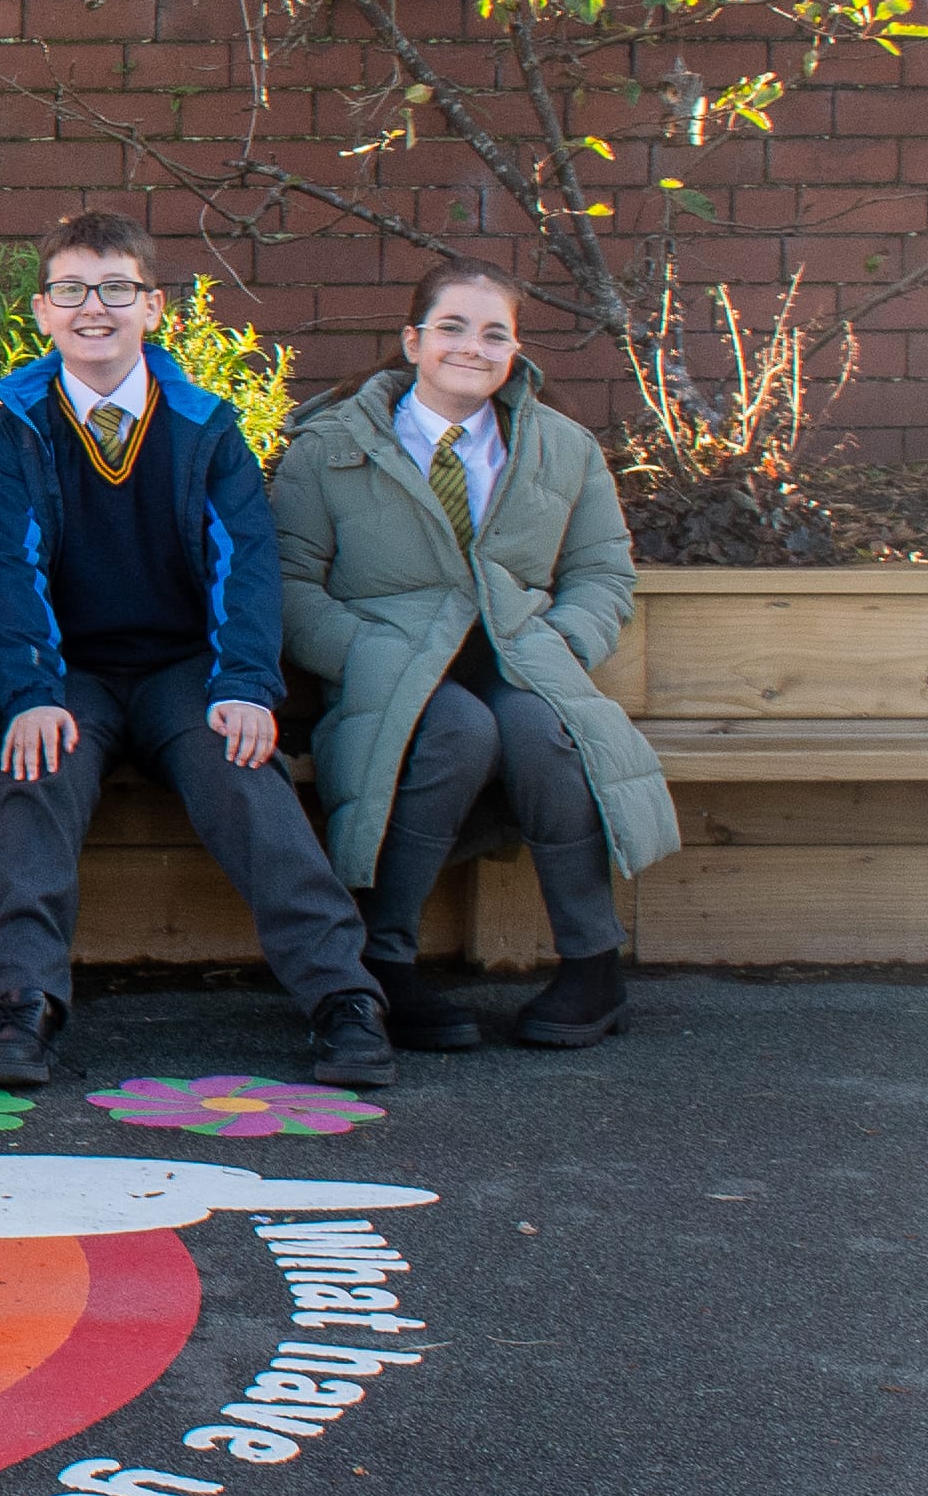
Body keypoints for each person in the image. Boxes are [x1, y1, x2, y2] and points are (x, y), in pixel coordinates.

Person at [0, 211, 391, 1089]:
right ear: (42, 311)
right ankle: (21, 1004)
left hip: (182, 674)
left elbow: (247, 568)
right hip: (70, 674)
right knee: (35, 771)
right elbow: (11, 566)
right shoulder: (16, 422)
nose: (95, 308)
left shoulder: (204, 426)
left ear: (153, 307)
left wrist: (243, 683)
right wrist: (32, 692)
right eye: (72, 290)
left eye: (116, 289)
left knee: (244, 772)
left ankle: (342, 998)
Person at [273, 257, 677, 1049]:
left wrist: (563, 640)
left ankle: (592, 968)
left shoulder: (561, 448)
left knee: (541, 733)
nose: (472, 346)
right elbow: (288, 585)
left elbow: (600, 571)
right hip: (385, 669)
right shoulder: (330, 447)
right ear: (412, 340)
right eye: (451, 327)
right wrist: (362, 654)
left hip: (516, 659)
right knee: (459, 730)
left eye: (494, 333)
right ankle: (380, 963)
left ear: (515, 349)